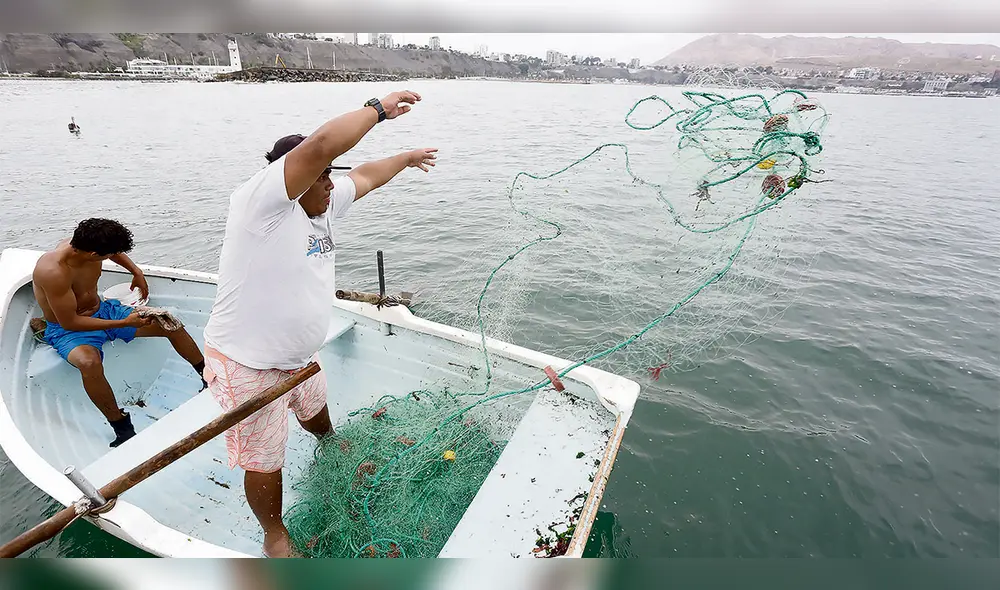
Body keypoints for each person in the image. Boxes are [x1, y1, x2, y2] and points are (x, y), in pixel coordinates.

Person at [202, 89, 437, 558]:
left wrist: (407, 158)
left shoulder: (323, 203)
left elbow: (367, 175)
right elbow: (321, 146)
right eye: (322, 176)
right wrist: (377, 110)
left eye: (330, 178)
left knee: (315, 407)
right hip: (248, 364)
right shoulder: (260, 206)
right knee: (265, 459)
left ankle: (330, 443)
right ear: (294, 177)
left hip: (298, 357)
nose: (331, 183)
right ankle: (275, 533)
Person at [31, 218, 207, 447]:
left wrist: (136, 271)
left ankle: (208, 377)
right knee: (88, 363)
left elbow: (115, 253)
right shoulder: (53, 272)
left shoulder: (85, 248)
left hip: (104, 310)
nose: (111, 258)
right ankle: (121, 426)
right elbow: (71, 322)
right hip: (68, 329)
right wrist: (125, 322)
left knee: (169, 323)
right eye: (107, 256)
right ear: (93, 254)